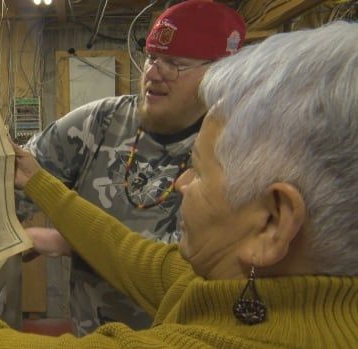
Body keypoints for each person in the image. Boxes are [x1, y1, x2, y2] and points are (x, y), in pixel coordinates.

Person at [0, 22, 358, 348]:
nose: (183, 185)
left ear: (271, 223)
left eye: (197, 170)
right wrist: (40, 183)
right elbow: (134, 256)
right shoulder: (260, 292)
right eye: (155, 58)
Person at [20, 0, 246, 335]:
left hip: (175, 338)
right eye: (152, 57)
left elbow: (187, 268)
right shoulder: (101, 121)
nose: (153, 72)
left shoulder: (235, 150)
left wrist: (68, 240)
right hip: (92, 336)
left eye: (174, 64)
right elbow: (18, 177)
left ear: (219, 75)